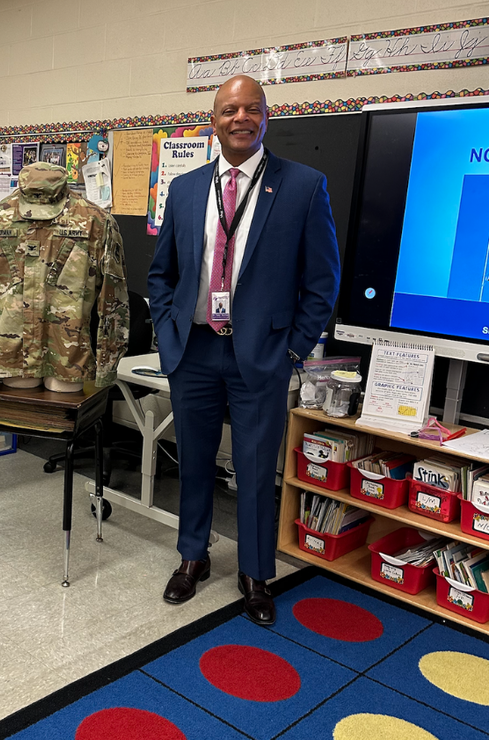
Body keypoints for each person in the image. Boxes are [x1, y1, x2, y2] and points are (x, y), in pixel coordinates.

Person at [147, 75, 340, 624]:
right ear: (214, 119)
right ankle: (192, 556)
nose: (240, 118)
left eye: (251, 109)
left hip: (264, 354)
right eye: (230, 109)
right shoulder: (184, 190)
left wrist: (296, 350)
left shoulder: (303, 186)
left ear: (265, 118)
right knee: (195, 462)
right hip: (196, 350)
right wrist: (168, 330)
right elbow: (163, 275)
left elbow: (323, 281)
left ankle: (256, 572)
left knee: (256, 468)